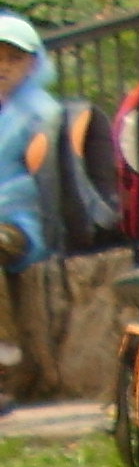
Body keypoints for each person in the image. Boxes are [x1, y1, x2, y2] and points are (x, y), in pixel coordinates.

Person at [0, 14, 58, 282]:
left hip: (25, 222)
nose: (4, 67)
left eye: (15, 59)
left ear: (33, 64)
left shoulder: (43, 114)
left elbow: (42, 182)